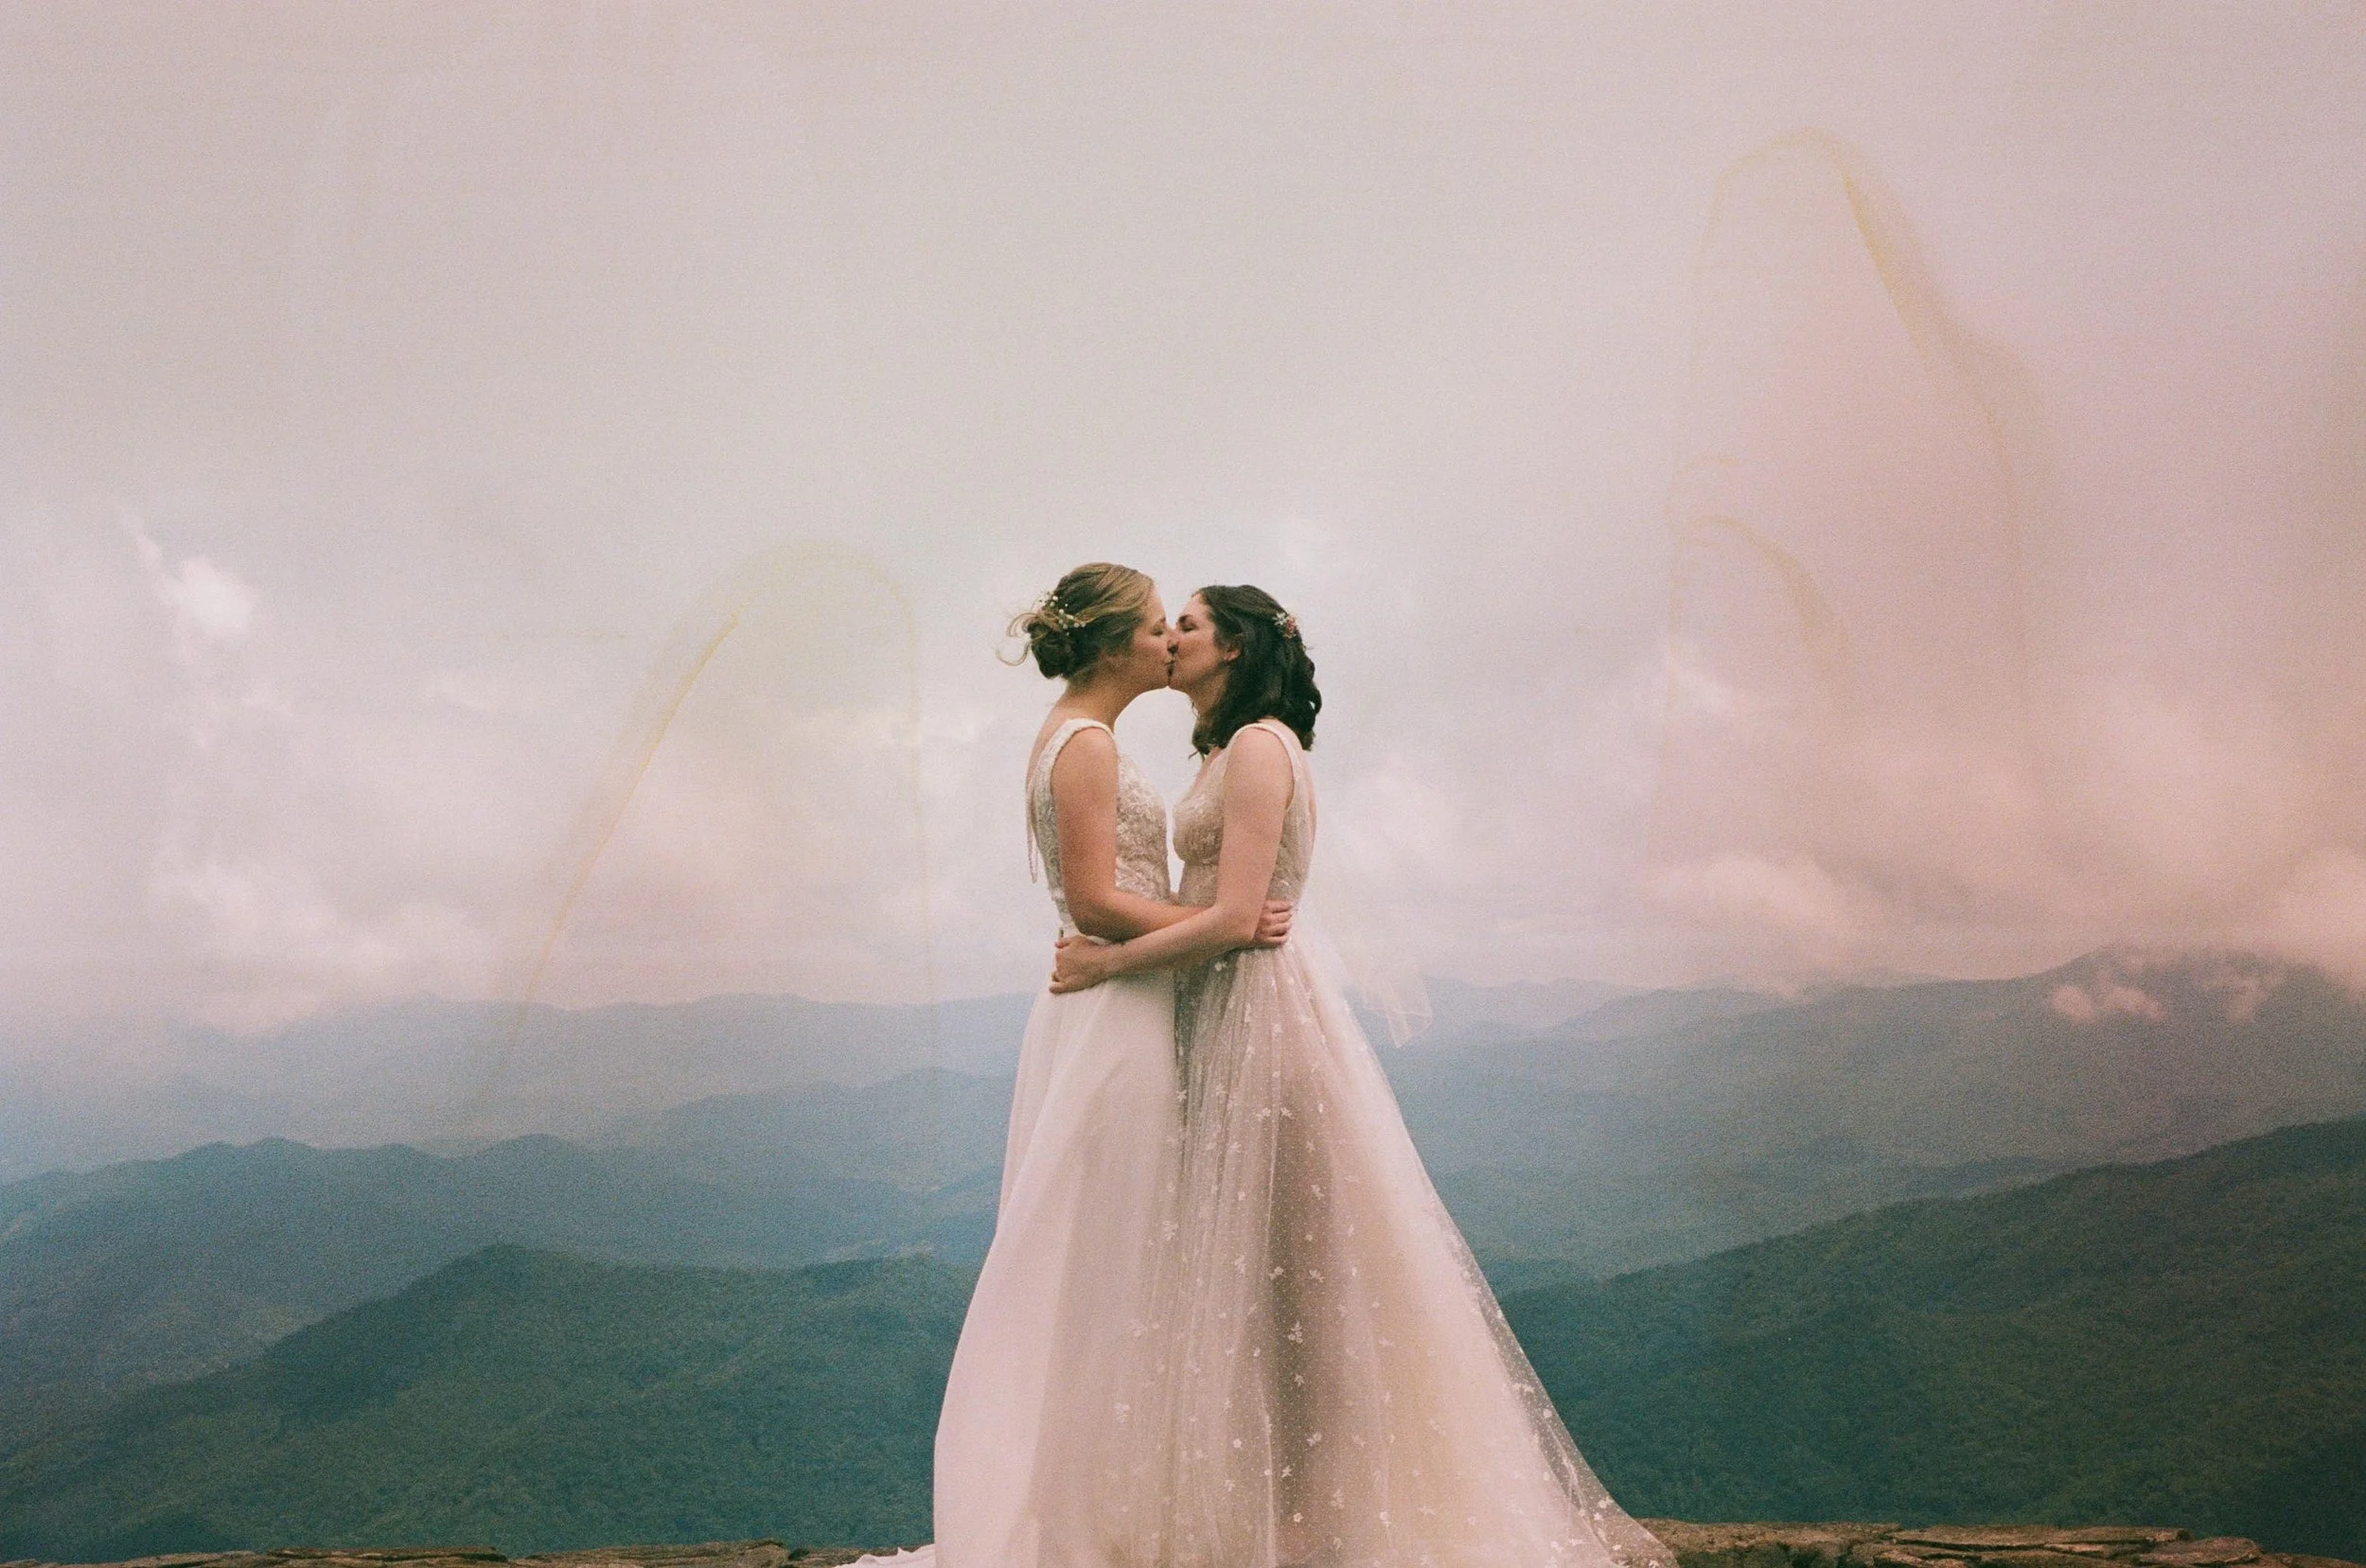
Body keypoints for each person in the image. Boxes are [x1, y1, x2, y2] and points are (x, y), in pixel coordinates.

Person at [1051, 585, 1672, 1568]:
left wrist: (1101, 963)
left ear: (1237, 648)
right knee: (1242, 1277)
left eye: (1193, 626)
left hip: (1262, 1018)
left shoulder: (1258, 747)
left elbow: (1239, 917)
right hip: (1214, 1012)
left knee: (1298, 1278)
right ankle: (1258, 1505)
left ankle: (1305, 1520)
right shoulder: (1220, 748)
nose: (1173, 637)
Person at [919, 563, 1291, 1568]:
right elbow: (1091, 900)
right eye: (1155, 626)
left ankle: (1106, 1507)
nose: (1169, 640)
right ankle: (1077, 1527)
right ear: (1113, 645)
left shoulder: (1089, 738)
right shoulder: (1085, 744)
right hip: (1113, 1012)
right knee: (1106, 1255)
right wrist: (1222, 925)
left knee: (1112, 1255)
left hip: (1115, 1005)